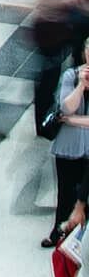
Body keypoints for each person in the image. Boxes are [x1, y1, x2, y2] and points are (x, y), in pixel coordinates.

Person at [45, 39, 89, 249]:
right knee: (65, 193)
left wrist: (71, 121)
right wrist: (81, 85)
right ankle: (58, 233)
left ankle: (79, 238)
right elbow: (66, 106)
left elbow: (67, 116)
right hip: (68, 146)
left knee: (84, 194)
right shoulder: (71, 76)